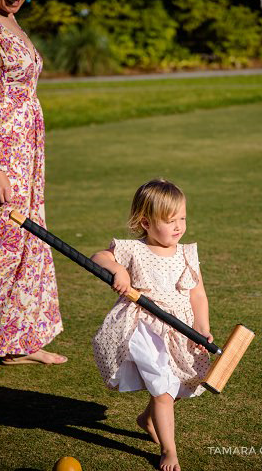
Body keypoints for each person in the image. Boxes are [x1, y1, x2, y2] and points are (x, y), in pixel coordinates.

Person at [91, 179, 212, 471]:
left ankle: (148, 418)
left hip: (179, 327)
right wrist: (118, 269)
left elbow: (198, 294)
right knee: (162, 389)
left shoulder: (186, 253)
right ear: (146, 222)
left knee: (183, 380)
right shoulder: (134, 249)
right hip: (145, 328)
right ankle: (169, 450)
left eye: (182, 218)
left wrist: (202, 329)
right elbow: (98, 257)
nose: (179, 226)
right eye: (170, 220)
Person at [0, 0, 65, 368]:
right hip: (4, 151)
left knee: (29, 237)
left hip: (28, 148)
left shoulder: (12, 23)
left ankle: (17, 340)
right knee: (4, 240)